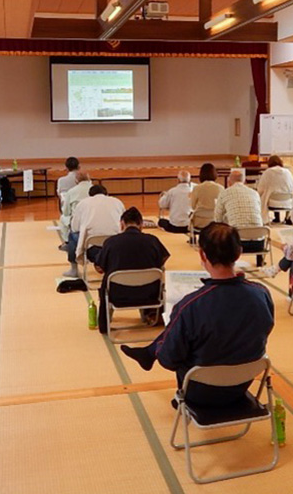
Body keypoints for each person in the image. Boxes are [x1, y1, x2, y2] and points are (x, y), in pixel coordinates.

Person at [121, 223, 274, 407]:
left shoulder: (191, 305)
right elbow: (266, 328)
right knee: (190, 330)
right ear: (239, 252)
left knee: (181, 334)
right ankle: (148, 352)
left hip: (200, 392)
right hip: (244, 382)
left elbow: (169, 360)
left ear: (202, 254)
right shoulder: (261, 293)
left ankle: (151, 352)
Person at [95, 207, 170, 333]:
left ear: (122, 224)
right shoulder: (152, 240)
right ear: (141, 225)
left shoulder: (111, 242)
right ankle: (153, 315)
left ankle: (104, 322)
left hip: (118, 293)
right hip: (150, 293)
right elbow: (164, 258)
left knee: (106, 280)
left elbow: (99, 267)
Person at [63, 185, 124, 279]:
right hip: (115, 245)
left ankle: (74, 269)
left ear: (89, 196)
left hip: (93, 245)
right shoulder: (117, 202)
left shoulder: (84, 203)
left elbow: (75, 227)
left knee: (72, 235)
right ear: (107, 194)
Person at [214, 169, 264, 264]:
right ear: (244, 181)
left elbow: (217, 219)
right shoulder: (254, 193)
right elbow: (259, 213)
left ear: (229, 182)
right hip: (259, 243)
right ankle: (259, 259)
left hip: (236, 243)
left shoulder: (224, 193)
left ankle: (226, 260)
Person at [256, 155, 293, 223]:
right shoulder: (287, 172)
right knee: (278, 192)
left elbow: (260, 188)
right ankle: (286, 217)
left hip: (272, 201)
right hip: (287, 201)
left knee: (266, 195)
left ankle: (273, 218)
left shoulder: (268, 172)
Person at [59, 170, 92, 244]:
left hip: (77, 221)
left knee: (63, 218)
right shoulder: (94, 189)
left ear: (76, 180)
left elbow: (66, 212)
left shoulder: (71, 191)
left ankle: (66, 241)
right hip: (92, 217)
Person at [190, 162, 224, 227]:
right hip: (215, 221)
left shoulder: (197, 188)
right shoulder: (220, 188)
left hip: (199, 221)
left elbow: (192, 206)